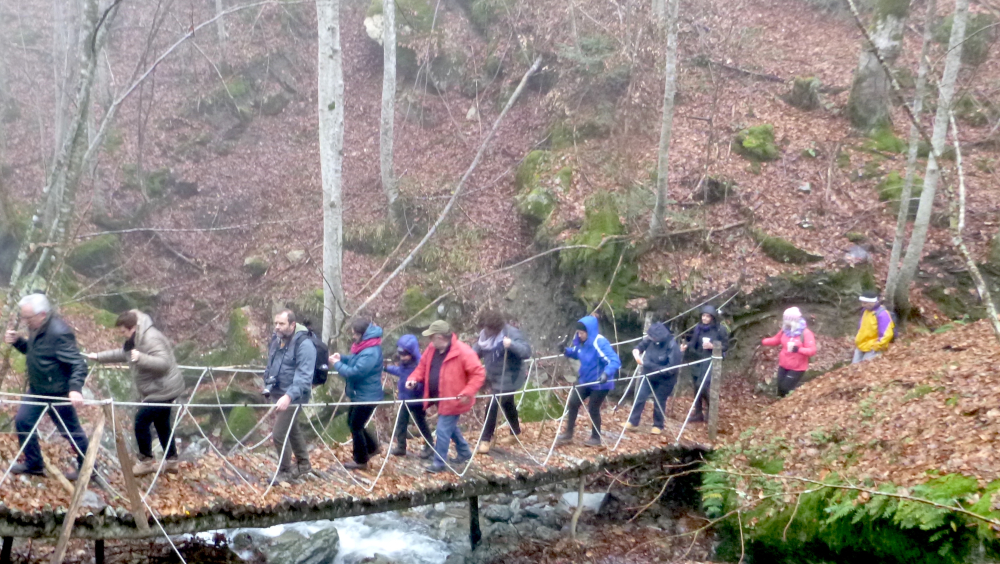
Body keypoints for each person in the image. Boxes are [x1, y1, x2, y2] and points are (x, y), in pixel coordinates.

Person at [85, 310, 185, 476]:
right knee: (162, 423)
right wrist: (98, 356)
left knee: (141, 421)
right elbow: (123, 354)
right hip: (159, 387)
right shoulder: (135, 339)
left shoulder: (150, 338)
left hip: (163, 389)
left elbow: (164, 363)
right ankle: (172, 461)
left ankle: (145, 461)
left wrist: (141, 358)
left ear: (133, 328)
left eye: (123, 331)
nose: (122, 335)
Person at [3, 293, 90, 480]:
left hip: (59, 392)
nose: (25, 321)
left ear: (42, 314)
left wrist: (75, 388)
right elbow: (36, 353)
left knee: (71, 432)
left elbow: (79, 363)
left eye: (28, 317)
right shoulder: (37, 327)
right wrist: (18, 341)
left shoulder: (59, 333)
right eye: (23, 317)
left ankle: (89, 468)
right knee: (23, 421)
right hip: (38, 389)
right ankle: (34, 464)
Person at [406, 320, 485, 474]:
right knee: (450, 427)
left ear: (440, 337)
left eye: (431, 337)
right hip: (438, 398)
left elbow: (478, 373)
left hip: (454, 399)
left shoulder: (463, 351)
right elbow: (422, 367)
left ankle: (439, 463)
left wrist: (468, 392)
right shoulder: (431, 349)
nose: (429, 340)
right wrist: (413, 379)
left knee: (442, 430)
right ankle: (464, 452)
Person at [263, 309, 316, 481]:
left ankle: (285, 471)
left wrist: (288, 396)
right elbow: (272, 363)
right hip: (278, 392)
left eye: (281, 324)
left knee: (278, 434)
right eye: (276, 323)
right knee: (292, 429)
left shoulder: (304, 344)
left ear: (292, 325)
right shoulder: (277, 339)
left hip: (295, 396)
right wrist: (267, 383)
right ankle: (303, 463)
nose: (277, 327)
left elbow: (304, 376)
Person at [472, 310, 532, 454]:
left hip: (510, 376)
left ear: (497, 327)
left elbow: (526, 352)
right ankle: (516, 433)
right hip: (495, 376)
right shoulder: (484, 336)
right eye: (486, 328)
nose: (488, 331)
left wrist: (510, 345)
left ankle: (486, 439)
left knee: (493, 404)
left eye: (491, 329)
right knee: (507, 403)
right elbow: (477, 351)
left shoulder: (512, 334)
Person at [557, 315, 621, 447]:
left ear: (589, 331)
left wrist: (606, 374)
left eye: (581, 333)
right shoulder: (581, 342)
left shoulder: (599, 342)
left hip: (600, 383)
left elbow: (614, 360)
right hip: (586, 379)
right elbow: (576, 352)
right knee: (573, 402)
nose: (579, 335)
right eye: (578, 333)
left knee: (593, 407)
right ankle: (568, 433)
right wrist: (565, 350)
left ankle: (596, 437)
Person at [330, 318, 384, 470]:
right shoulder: (364, 347)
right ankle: (372, 447)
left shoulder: (370, 352)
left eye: (355, 334)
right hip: (360, 394)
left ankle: (361, 460)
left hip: (368, 396)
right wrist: (342, 358)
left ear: (363, 334)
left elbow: (355, 372)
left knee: (355, 424)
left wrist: (337, 364)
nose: (353, 337)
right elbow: (355, 361)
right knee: (354, 422)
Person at [624, 321, 682, 435]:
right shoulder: (651, 339)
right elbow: (642, 345)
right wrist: (637, 351)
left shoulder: (672, 346)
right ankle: (633, 421)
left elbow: (671, 369)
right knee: (640, 396)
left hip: (665, 379)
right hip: (648, 374)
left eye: (653, 338)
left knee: (659, 400)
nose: (651, 339)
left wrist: (647, 364)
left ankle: (658, 425)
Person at [385, 334, 433, 459]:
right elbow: (400, 372)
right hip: (404, 399)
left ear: (412, 352)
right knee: (401, 423)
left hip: (417, 399)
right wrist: (386, 368)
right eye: (400, 354)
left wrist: (416, 386)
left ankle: (430, 446)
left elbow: (425, 382)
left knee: (421, 423)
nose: (402, 357)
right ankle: (401, 446)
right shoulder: (403, 364)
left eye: (405, 354)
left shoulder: (420, 364)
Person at [680, 305, 729, 423]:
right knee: (696, 386)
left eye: (708, 316)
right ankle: (698, 413)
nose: (705, 318)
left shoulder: (719, 329)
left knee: (702, 385)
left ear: (712, 318)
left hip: (711, 360)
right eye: (703, 316)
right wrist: (686, 346)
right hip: (698, 358)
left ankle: (711, 408)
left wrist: (713, 346)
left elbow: (726, 346)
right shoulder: (699, 328)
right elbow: (693, 342)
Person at [760, 307, 817, 397]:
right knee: (780, 388)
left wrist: (798, 349)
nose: (785, 322)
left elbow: (812, 350)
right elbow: (776, 340)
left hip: (797, 367)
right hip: (784, 364)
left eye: (787, 319)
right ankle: (780, 407)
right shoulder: (785, 331)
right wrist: (763, 341)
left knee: (785, 388)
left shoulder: (806, 333)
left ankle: (798, 398)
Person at [853, 291, 894, 363]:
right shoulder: (865, 311)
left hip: (873, 347)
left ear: (872, 302)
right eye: (862, 302)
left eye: (865, 303)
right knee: (853, 368)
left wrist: (877, 346)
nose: (862, 305)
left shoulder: (882, 314)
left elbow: (887, 334)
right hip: (861, 345)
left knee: (864, 368)